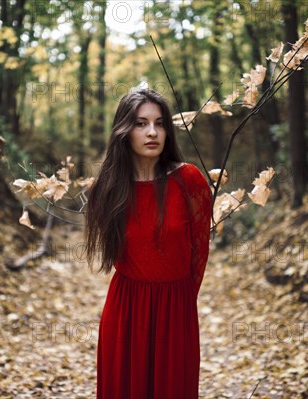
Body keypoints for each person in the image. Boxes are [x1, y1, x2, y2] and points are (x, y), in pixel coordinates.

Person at [84, 88, 213, 399]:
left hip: (175, 309)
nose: (152, 132)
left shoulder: (189, 180)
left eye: (159, 123)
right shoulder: (108, 188)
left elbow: (199, 255)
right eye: (141, 124)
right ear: (124, 131)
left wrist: (178, 303)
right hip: (125, 311)